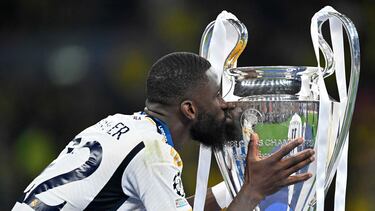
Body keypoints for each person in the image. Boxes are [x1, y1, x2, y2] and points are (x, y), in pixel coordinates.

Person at [13, 52, 315, 211]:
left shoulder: (119, 126)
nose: (225, 105)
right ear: (190, 109)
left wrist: (236, 187)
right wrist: (254, 191)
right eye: (217, 96)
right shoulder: (152, 152)